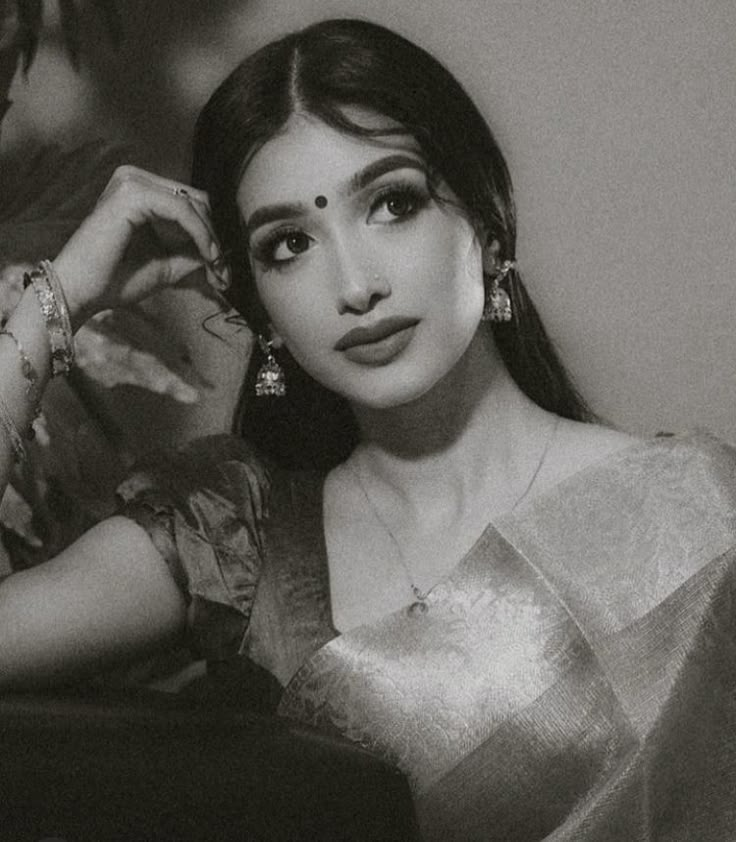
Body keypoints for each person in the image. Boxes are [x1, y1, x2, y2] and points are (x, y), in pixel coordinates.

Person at [1, 18, 735, 841]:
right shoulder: (238, 541)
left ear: (488, 221)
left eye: (393, 202)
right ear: (254, 301)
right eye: (288, 245)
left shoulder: (696, 521)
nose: (354, 285)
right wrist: (56, 298)